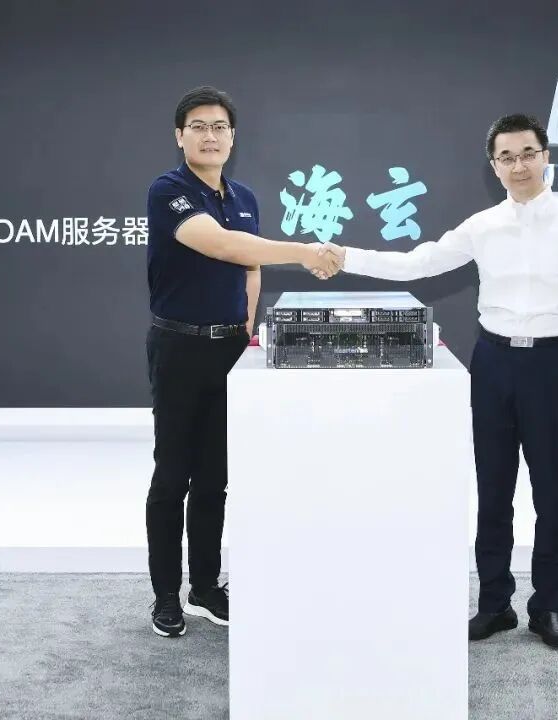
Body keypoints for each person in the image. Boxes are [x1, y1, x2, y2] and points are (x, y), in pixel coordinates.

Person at [321, 114, 558, 649]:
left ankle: (548, 607)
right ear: (494, 166)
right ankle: (495, 605)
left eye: (528, 154)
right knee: (493, 489)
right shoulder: (483, 226)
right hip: (494, 363)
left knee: (552, 493)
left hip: (553, 365)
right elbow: (418, 263)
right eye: (507, 157)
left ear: (545, 156)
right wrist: (347, 257)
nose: (519, 166)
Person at [146, 86, 339, 638]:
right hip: (179, 347)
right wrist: (305, 252)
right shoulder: (168, 190)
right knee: (173, 476)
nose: (210, 136)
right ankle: (166, 596)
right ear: (180, 135)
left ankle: (205, 587)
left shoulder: (245, 196)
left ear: (233, 137)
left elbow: (250, 266)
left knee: (215, 477)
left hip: (230, 350)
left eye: (220, 127)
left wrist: (247, 325)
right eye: (199, 126)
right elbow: (225, 246)